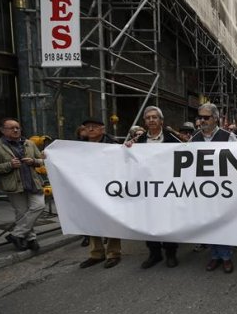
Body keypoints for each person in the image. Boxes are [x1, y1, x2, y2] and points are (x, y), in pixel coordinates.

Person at [192, 103, 237, 274]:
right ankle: (214, 255)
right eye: (200, 117)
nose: (202, 121)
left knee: (222, 222)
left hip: (224, 189)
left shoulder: (228, 136)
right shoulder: (195, 137)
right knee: (209, 222)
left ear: (215, 118)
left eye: (206, 117)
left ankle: (226, 257)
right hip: (203, 190)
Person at [133, 106, 182, 269]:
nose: (151, 120)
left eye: (155, 117)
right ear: (145, 122)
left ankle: (170, 253)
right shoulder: (137, 142)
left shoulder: (173, 140)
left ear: (161, 121)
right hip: (147, 190)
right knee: (149, 222)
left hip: (168, 190)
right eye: (148, 118)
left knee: (168, 222)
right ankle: (154, 254)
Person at [0, 118, 45, 251]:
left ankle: (16, 234)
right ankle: (31, 239)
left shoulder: (29, 143)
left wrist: (33, 161)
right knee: (22, 212)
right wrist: (9, 165)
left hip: (33, 182)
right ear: (2, 130)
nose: (15, 130)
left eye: (17, 128)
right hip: (13, 185)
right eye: (11, 128)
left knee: (39, 206)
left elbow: (41, 161)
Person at [77, 117, 122, 269]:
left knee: (110, 220)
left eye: (94, 126)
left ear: (102, 129)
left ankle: (113, 253)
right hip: (88, 188)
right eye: (87, 126)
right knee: (91, 220)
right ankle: (96, 254)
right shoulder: (78, 146)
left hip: (109, 188)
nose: (90, 129)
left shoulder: (113, 145)